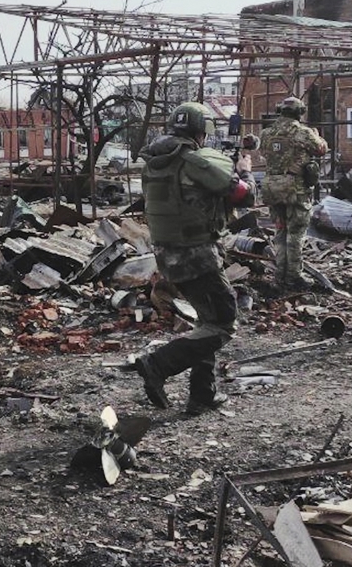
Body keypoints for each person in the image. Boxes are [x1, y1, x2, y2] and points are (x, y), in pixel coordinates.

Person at [131, 102, 256, 415]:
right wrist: (245, 171)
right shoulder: (196, 162)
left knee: (206, 320)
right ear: (201, 132)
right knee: (224, 323)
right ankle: (157, 364)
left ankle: (202, 393)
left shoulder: (154, 162)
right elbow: (245, 195)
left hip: (167, 254)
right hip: (197, 255)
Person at [258, 96, 328, 290]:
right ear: (299, 113)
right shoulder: (302, 132)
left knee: (280, 230)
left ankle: (280, 274)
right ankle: (293, 277)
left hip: (272, 188)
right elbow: (321, 149)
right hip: (295, 189)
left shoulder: (266, 133)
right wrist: (317, 135)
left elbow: (265, 153)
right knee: (295, 233)